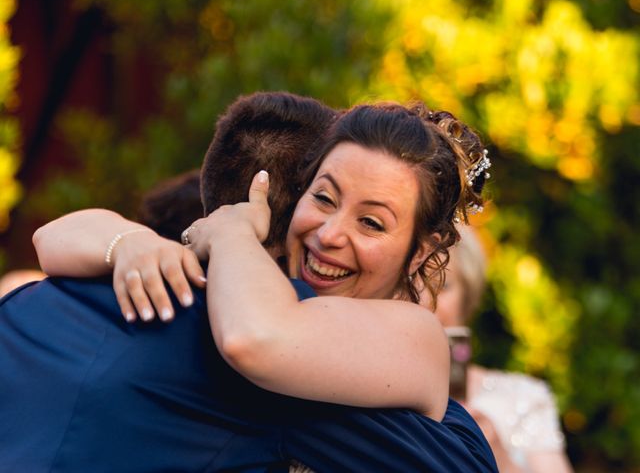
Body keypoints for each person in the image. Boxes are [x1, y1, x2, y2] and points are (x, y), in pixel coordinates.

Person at [2, 92, 496, 471]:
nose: (330, 233)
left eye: (371, 223)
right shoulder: (222, 299)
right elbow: (52, 238)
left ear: (421, 253)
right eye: (324, 198)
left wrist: (232, 227)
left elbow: (253, 338)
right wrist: (129, 242)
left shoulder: (415, 337)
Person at [431, 225, 574, 473]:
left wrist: (499, 459)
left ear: (467, 295)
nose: (426, 299)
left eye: (442, 285)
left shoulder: (524, 399)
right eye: (412, 282)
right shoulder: (368, 393)